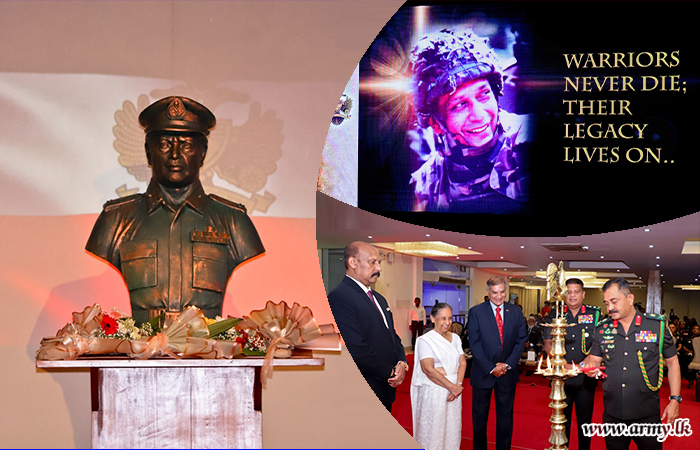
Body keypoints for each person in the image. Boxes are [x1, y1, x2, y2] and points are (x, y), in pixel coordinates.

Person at [86, 97, 264, 324]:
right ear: (149, 152)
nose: (174, 154)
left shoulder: (233, 221)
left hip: (206, 354)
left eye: (187, 145)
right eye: (164, 145)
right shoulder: (115, 220)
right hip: (141, 354)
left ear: (203, 153)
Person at [408, 28, 531, 213]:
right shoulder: (427, 186)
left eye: (484, 95)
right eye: (459, 105)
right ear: (435, 124)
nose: (479, 115)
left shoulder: (532, 145)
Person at [584, 278, 682, 450]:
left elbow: (673, 363)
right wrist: (590, 369)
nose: (609, 308)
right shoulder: (602, 329)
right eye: (606, 303)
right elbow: (594, 360)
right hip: (613, 414)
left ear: (630, 299)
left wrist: (674, 400)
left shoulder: (656, 327)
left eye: (614, 301)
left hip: (646, 415)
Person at [326, 241, 408, 411]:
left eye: (379, 262)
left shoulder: (379, 298)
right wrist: (390, 372)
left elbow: (392, 335)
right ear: (353, 263)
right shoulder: (340, 297)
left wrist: (401, 362)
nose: (379, 268)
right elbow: (355, 348)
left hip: (384, 389)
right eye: (373, 262)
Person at [467, 276, 527, 450]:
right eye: (495, 292)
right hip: (483, 373)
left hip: (507, 373)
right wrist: (491, 367)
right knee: (479, 419)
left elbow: (520, 339)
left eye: (502, 292)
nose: (499, 296)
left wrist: (506, 365)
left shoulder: (515, 312)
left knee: (505, 419)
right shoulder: (476, 312)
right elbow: (475, 343)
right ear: (488, 292)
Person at [542, 278, 600, 450]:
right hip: (561, 379)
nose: (572, 295)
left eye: (576, 291)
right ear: (563, 294)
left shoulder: (595, 314)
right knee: (561, 421)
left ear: (583, 294)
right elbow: (547, 344)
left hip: (585, 379)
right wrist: (564, 366)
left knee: (585, 423)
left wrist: (581, 366)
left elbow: (599, 346)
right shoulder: (555, 314)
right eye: (569, 292)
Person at [411, 303, 467, 450]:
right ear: (433, 319)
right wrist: (452, 387)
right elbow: (428, 369)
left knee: (451, 429)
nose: (447, 322)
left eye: (449, 318)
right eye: (443, 318)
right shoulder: (426, 340)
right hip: (434, 392)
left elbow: (462, 362)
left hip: (454, 392)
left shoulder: (455, 338)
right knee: (433, 431)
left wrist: (458, 385)